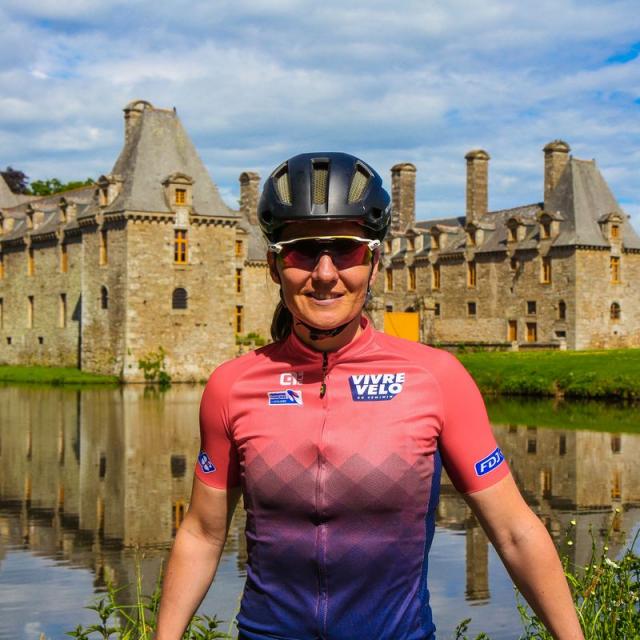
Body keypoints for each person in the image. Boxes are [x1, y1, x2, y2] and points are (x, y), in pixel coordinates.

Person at [155, 152, 584, 640]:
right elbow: (203, 534)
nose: (323, 272)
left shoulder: (436, 378)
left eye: (344, 250)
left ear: (374, 262)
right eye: (301, 250)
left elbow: (515, 532)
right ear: (275, 266)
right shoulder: (233, 386)